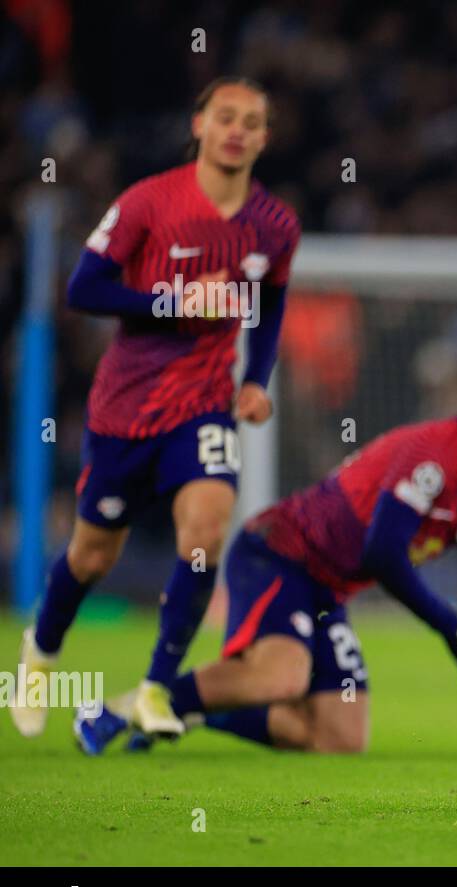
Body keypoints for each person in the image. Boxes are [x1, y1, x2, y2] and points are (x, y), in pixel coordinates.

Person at [75, 371, 457, 754]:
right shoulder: (433, 457)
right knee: (279, 676)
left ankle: (189, 709)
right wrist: (453, 628)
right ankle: (120, 709)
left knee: (337, 738)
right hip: (279, 553)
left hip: (326, 588)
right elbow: (381, 554)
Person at [13, 77, 300, 739]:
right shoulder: (149, 201)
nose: (237, 130)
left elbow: (272, 310)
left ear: (264, 137)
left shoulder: (275, 226)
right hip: (126, 409)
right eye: (224, 116)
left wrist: (256, 379)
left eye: (251, 121)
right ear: (198, 125)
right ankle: (41, 653)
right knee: (91, 556)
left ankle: (154, 689)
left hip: (204, 407)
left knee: (204, 534)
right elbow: (84, 288)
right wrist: (171, 303)